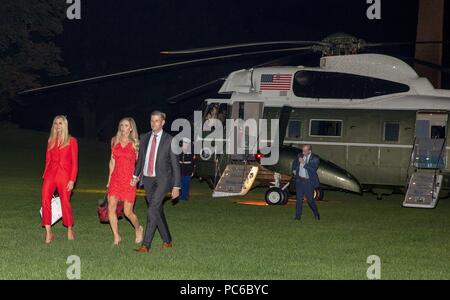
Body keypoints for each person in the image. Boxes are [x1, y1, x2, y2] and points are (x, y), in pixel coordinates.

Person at [132, 111, 181, 253]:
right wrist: (136, 176)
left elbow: (175, 165)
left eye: (157, 121)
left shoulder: (170, 140)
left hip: (163, 180)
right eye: (152, 120)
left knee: (152, 210)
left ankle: (146, 245)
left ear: (163, 122)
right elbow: (141, 159)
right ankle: (167, 240)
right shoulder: (144, 137)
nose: (154, 123)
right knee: (157, 210)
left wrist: (176, 186)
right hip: (147, 179)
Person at [106, 117, 143, 245]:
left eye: (126, 125)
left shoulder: (135, 143)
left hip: (129, 180)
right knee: (111, 208)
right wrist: (109, 180)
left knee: (128, 212)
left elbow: (140, 164)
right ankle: (116, 236)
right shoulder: (114, 141)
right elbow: (112, 161)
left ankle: (138, 228)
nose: (123, 128)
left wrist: (137, 177)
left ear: (131, 128)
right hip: (115, 178)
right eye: (121, 125)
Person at [41, 115, 78, 244]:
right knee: (45, 200)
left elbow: (75, 163)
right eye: (56, 123)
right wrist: (45, 174)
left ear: (65, 125)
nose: (58, 125)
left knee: (65, 202)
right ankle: (48, 232)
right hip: (50, 175)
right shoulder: (51, 140)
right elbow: (48, 160)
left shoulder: (71, 140)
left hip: (65, 176)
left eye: (60, 123)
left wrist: (72, 180)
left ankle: (69, 228)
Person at [291, 144, 320, 221]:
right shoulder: (300, 155)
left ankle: (316, 214)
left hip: (308, 182)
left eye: (305, 151)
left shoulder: (315, 158)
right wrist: (294, 169)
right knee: (299, 199)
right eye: (302, 150)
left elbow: (313, 170)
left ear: (309, 151)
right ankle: (297, 217)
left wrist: (304, 164)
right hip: (299, 180)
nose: (303, 152)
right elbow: (294, 163)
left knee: (310, 200)